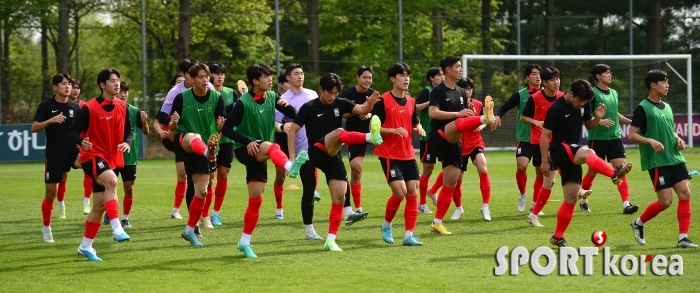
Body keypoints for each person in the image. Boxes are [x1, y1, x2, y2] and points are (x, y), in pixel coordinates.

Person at [220, 63, 308, 258]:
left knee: (256, 199)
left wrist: (290, 108)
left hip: (260, 152)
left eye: (270, 76)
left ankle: (244, 242)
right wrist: (248, 141)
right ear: (255, 81)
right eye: (266, 77)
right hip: (245, 148)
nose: (271, 80)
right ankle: (289, 165)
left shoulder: (273, 97)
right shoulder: (242, 103)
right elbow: (226, 129)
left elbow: (295, 116)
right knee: (272, 146)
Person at [288, 72, 381, 252]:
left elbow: (362, 110)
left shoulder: (340, 103)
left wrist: (369, 104)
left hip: (332, 154)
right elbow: (292, 130)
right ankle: (309, 230)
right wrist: (291, 157)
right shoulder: (309, 107)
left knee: (339, 196)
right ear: (320, 89)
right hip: (312, 152)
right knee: (309, 189)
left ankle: (331, 240)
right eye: (329, 92)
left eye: (335, 93)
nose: (332, 97)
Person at [540, 79, 632, 247]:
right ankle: (614, 174)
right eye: (580, 100)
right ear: (571, 93)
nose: (582, 104)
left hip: (572, 151)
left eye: (585, 101)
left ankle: (557, 237)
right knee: (589, 152)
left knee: (571, 197)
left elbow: (589, 125)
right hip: (559, 148)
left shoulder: (584, 104)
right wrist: (545, 161)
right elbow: (545, 135)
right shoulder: (556, 108)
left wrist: (597, 117)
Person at [428, 56, 496, 235]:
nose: (461, 69)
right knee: (458, 121)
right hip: (439, 135)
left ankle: (437, 222)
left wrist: (469, 115)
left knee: (451, 180)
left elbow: (462, 116)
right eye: (458, 66)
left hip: (454, 141)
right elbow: (433, 113)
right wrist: (461, 114)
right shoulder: (438, 91)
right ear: (448, 70)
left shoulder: (459, 91)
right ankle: (484, 117)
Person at [72, 68, 133, 261]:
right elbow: (73, 132)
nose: (117, 84)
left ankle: (85, 246)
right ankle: (117, 228)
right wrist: (81, 142)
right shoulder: (89, 108)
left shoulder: (123, 107)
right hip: (92, 156)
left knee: (98, 207)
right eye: (113, 81)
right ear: (102, 85)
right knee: (113, 182)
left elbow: (129, 132)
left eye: (118, 80)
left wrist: (127, 143)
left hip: (112, 158)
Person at [629, 69, 696, 248]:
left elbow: (669, 130)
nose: (667, 85)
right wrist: (649, 140)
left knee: (685, 193)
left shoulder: (667, 107)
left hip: (675, 157)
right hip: (658, 161)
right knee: (665, 201)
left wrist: (678, 139)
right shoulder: (642, 108)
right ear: (653, 85)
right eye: (664, 82)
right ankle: (638, 223)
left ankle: (683, 237)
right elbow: (632, 134)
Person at [168, 63, 225, 246]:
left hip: (206, 147)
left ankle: (189, 230)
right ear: (192, 79)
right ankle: (206, 149)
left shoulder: (217, 97)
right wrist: (174, 124)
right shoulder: (181, 98)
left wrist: (220, 128)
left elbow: (220, 127)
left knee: (200, 191)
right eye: (200, 77)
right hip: (184, 140)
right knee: (194, 136)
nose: (205, 80)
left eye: (207, 76)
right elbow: (171, 129)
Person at [374, 63, 425, 246]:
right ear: (392, 79)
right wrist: (392, 130)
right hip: (389, 153)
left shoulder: (411, 102)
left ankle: (408, 235)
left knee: (413, 191)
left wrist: (419, 128)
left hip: (408, 154)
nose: (406, 79)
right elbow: (374, 128)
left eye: (407, 75)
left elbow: (415, 122)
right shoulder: (382, 100)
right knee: (400, 192)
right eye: (402, 75)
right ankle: (386, 225)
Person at [579, 64, 638, 214]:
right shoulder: (592, 94)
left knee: (621, 170)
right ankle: (584, 200)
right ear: (598, 76)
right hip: (597, 139)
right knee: (592, 173)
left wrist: (632, 122)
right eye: (607, 73)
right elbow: (587, 116)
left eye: (610, 72)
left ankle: (626, 204)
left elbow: (615, 114)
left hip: (614, 138)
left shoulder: (614, 93)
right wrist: (599, 120)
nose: (610, 75)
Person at [32, 73, 82, 243]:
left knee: (88, 163)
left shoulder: (75, 107)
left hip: (72, 150)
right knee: (50, 193)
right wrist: (51, 120)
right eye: (63, 84)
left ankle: (98, 200)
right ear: (55, 87)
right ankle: (46, 228)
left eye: (69, 84)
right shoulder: (46, 106)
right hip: (54, 154)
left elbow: (83, 129)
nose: (68, 87)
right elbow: (34, 127)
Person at [275, 65, 323, 239]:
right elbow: (275, 123)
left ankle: (346, 213)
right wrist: (282, 127)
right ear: (288, 78)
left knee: (339, 182)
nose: (300, 76)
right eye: (296, 74)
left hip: (321, 146)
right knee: (308, 188)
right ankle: (310, 230)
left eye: (302, 73)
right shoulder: (283, 100)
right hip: (301, 151)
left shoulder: (312, 95)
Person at [491, 64, 542, 213]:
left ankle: (535, 203)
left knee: (540, 172)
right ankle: (523, 195)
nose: (538, 77)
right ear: (527, 77)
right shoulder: (521, 95)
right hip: (525, 138)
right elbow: (505, 106)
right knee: (522, 166)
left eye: (539, 74)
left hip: (541, 139)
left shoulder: (548, 94)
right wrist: (498, 115)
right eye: (534, 74)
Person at [155, 58, 200, 220]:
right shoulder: (176, 92)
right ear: (183, 74)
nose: (197, 76)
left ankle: (205, 215)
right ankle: (185, 214)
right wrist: (176, 123)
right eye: (192, 73)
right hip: (182, 137)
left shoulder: (207, 87)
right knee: (185, 174)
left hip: (203, 136)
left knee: (207, 180)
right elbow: (160, 115)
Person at [520, 67, 565, 227]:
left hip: (559, 142)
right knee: (547, 179)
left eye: (558, 78)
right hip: (540, 142)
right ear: (545, 82)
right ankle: (532, 210)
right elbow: (523, 117)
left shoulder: (563, 97)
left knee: (553, 178)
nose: (556, 82)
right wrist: (535, 122)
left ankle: (534, 212)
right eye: (552, 79)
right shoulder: (535, 98)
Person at [111, 81, 150, 228]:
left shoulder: (134, 110)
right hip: (112, 155)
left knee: (129, 187)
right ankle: (111, 212)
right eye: (120, 91)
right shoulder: (109, 108)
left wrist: (145, 122)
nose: (122, 94)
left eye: (125, 92)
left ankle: (125, 218)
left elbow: (146, 131)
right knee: (110, 186)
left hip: (129, 156)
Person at [207, 63, 239, 227]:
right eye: (216, 73)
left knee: (223, 174)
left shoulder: (231, 93)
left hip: (227, 140)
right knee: (209, 178)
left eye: (222, 73)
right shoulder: (207, 93)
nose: (219, 76)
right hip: (211, 140)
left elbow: (235, 115)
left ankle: (216, 213)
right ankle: (204, 213)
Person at [341, 66, 376, 214]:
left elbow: (379, 113)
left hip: (374, 136)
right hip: (355, 136)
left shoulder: (373, 94)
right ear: (357, 77)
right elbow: (344, 114)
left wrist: (370, 114)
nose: (367, 80)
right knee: (356, 169)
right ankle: (358, 207)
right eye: (364, 77)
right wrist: (361, 109)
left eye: (369, 77)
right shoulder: (348, 93)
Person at [415, 67, 443, 213]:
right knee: (428, 169)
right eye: (439, 75)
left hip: (445, 136)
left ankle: (433, 191)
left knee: (451, 167)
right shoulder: (427, 91)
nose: (442, 77)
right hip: (428, 137)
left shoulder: (446, 90)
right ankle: (422, 203)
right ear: (432, 78)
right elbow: (415, 107)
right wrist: (429, 103)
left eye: (443, 75)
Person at [69, 79, 94, 215]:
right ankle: (61, 207)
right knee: (62, 177)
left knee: (88, 169)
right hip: (66, 145)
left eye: (78, 88)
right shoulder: (61, 105)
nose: (76, 90)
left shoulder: (84, 106)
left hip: (81, 143)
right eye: (74, 87)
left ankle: (86, 202)